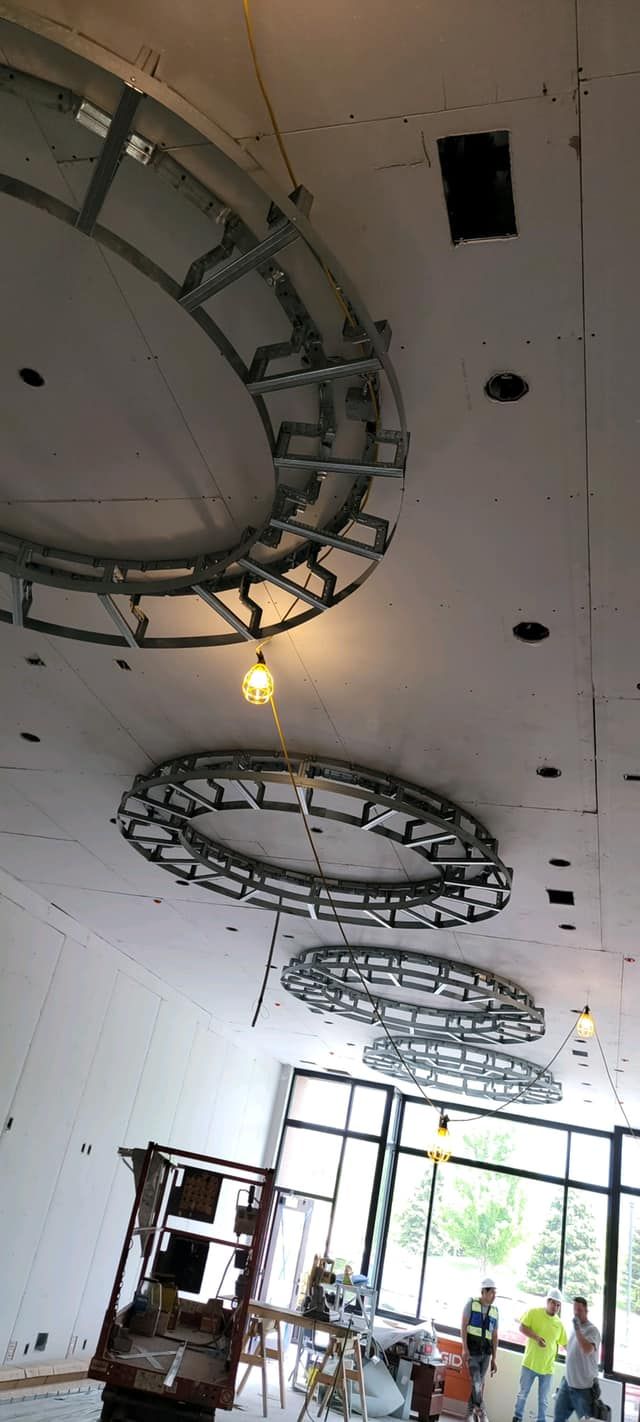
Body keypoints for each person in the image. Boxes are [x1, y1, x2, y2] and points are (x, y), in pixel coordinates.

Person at [513, 1288, 568, 1422]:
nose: (556, 1307)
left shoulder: (559, 1324)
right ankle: (517, 1418)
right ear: (548, 1301)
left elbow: (566, 1345)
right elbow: (522, 1327)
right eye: (554, 1303)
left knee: (543, 1401)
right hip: (529, 1364)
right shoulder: (534, 1313)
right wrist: (536, 1337)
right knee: (522, 1395)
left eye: (558, 1305)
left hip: (547, 1369)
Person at [553, 1297, 600, 1422]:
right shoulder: (574, 1329)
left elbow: (587, 1350)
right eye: (574, 1310)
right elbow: (573, 1352)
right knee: (558, 1418)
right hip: (567, 1384)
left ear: (586, 1311)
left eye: (579, 1310)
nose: (576, 1313)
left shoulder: (592, 1330)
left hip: (584, 1389)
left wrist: (578, 1329)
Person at [461, 1277, 499, 1419]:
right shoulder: (471, 1304)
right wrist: (464, 1348)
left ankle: (469, 1414)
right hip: (472, 1352)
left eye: (495, 1293)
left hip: (486, 1354)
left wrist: (495, 1358)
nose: (494, 1296)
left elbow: (495, 1335)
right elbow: (463, 1326)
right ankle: (481, 1411)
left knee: (478, 1385)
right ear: (483, 1292)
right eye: (491, 1293)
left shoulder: (495, 1311)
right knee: (477, 1382)